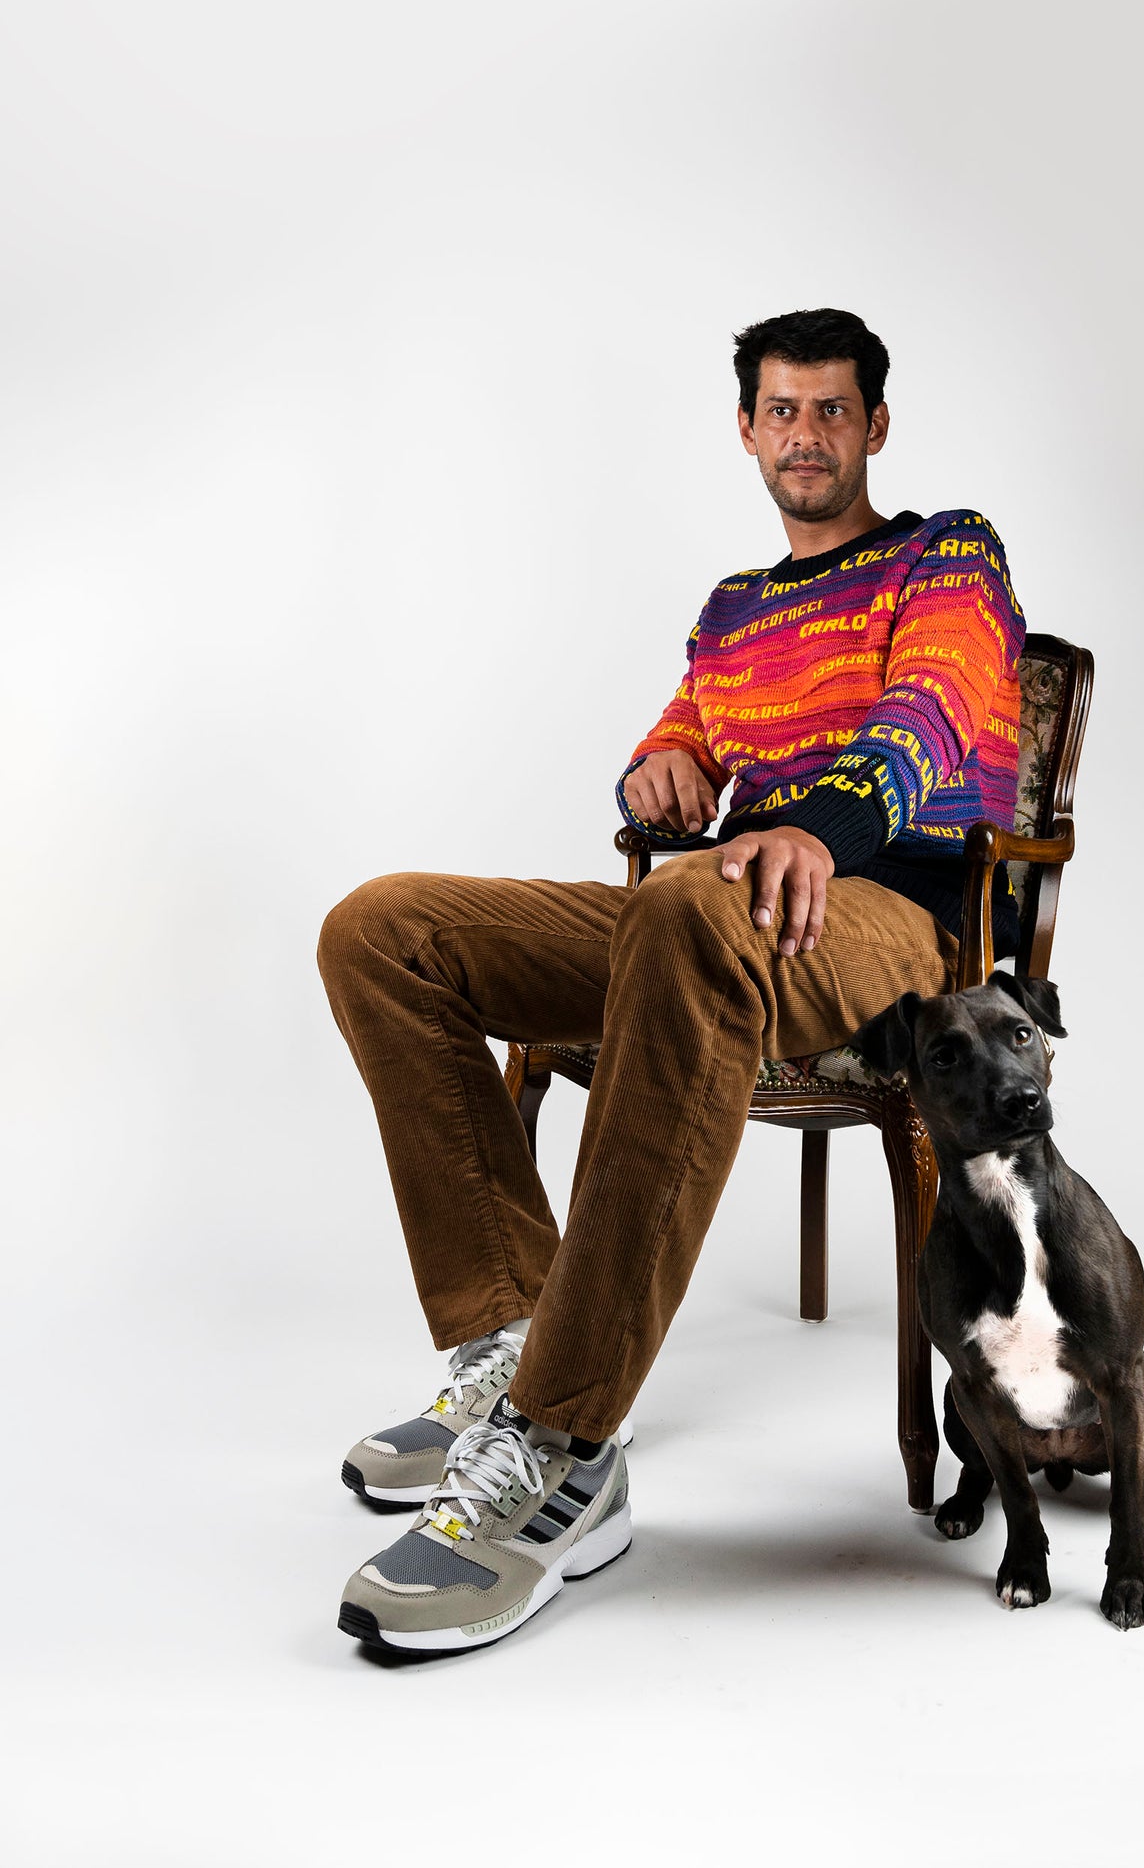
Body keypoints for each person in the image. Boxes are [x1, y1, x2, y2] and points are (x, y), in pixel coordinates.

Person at [319, 307, 1028, 1654]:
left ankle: (565, 1445)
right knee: (383, 930)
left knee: (691, 907)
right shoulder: (733, 612)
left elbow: (927, 722)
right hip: (718, 907)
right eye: (783, 410)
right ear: (747, 430)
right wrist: (661, 771)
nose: (807, 434)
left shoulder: (949, 553)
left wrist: (821, 828)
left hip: (889, 914)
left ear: (875, 427)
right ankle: (512, 1345)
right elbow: (679, 738)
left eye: (833, 410)